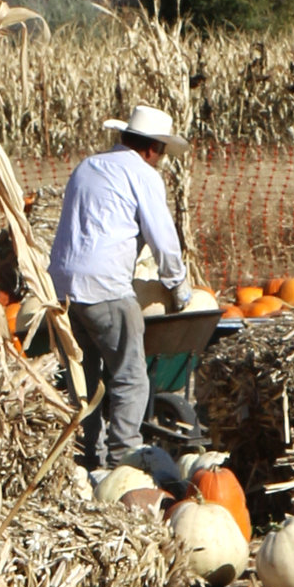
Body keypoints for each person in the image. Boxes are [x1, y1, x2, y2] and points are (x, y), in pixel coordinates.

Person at [49, 103, 189, 470]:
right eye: (160, 153)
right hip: (104, 286)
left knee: (85, 382)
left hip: (62, 287)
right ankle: (121, 464)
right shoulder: (143, 174)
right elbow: (164, 239)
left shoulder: (88, 166)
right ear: (151, 149)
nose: (159, 160)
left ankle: (83, 461)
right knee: (131, 378)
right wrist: (178, 288)